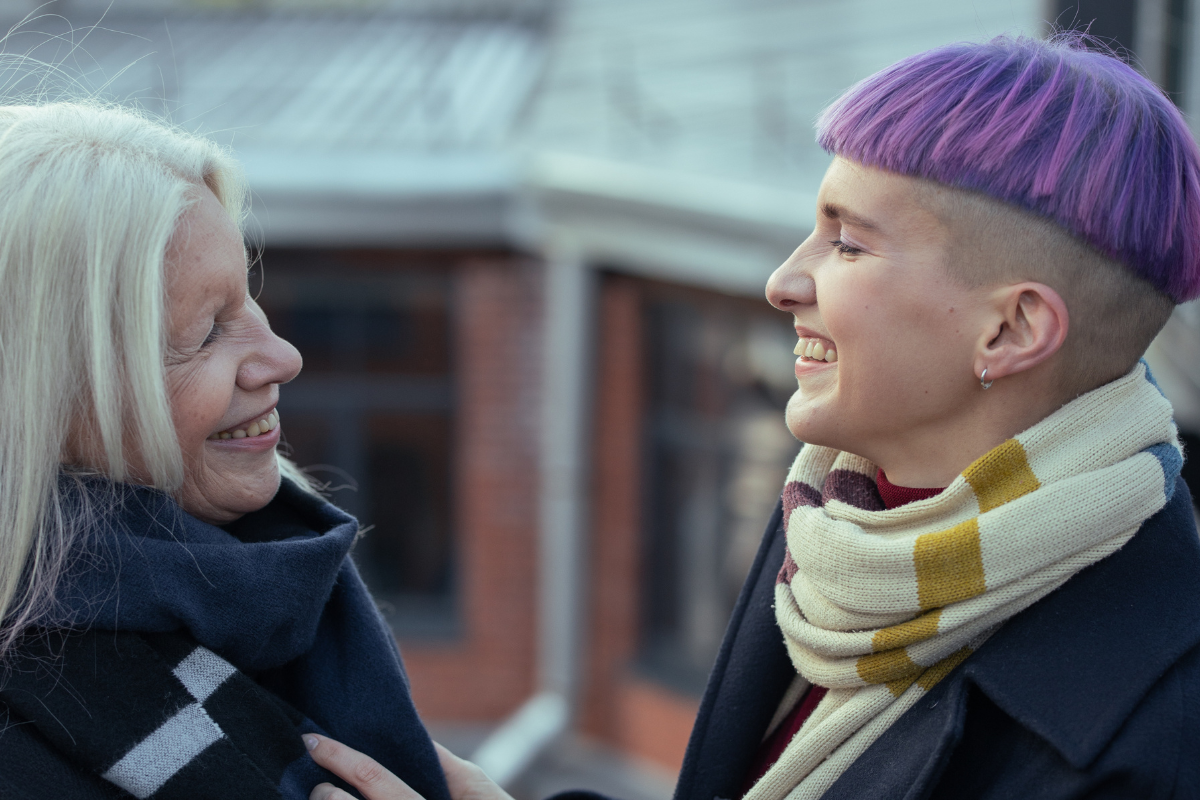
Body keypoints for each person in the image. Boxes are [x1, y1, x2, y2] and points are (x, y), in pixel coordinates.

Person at [307, 33, 1200, 800]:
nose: (783, 282)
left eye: (848, 243)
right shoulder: (841, 526)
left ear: (1011, 327)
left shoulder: (1161, 730)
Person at [0, 101, 453, 800]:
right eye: (209, 331)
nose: (284, 357)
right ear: (42, 396)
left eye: (250, 298)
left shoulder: (282, 572)